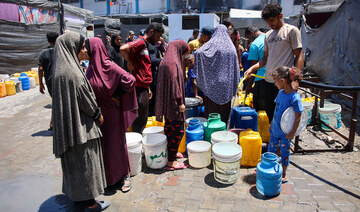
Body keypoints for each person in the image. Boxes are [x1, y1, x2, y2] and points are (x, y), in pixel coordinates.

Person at [52, 31, 109, 212]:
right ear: (71, 48)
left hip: (68, 129)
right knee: (86, 166)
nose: (85, 51)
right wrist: (98, 115)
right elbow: (88, 103)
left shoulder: (60, 71)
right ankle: (91, 204)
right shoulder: (74, 74)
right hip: (81, 129)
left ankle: (78, 199)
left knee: (75, 166)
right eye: (81, 47)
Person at [85, 37, 138, 192]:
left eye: (86, 47)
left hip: (112, 114)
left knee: (116, 147)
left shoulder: (110, 65)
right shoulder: (90, 67)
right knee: (104, 148)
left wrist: (116, 95)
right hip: (97, 115)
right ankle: (108, 178)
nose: (84, 50)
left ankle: (124, 175)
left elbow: (130, 79)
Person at [244, 2, 303, 121]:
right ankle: (273, 138)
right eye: (267, 21)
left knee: (284, 116)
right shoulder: (268, 35)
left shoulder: (291, 31)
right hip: (269, 81)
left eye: (272, 20)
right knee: (271, 115)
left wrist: (296, 80)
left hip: (284, 82)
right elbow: (265, 59)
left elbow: (299, 55)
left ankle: (285, 138)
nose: (270, 24)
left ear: (280, 16)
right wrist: (252, 68)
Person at [120, 23, 164, 133]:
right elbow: (123, 48)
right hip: (138, 88)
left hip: (143, 87)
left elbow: (144, 67)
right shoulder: (141, 42)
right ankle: (137, 143)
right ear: (151, 32)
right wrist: (129, 62)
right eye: (158, 36)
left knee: (143, 118)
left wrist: (148, 88)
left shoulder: (146, 45)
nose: (158, 40)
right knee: (139, 120)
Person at [194, 24, 240, 123]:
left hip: (212, 85)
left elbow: (198, 53)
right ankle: (222, 131)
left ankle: (211, 132)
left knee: (212, 111)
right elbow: (236, 67)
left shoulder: (212, 44)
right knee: (224, 111)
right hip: (227, 84)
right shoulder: (231, 47)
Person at [155, 40, 189, 170]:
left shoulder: (166, 59)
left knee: (169, 129)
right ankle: (171, 161)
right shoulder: (172, 63)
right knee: (178, 131)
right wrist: (180, 102)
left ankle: (172, 153)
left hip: (167, 103)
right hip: (174, 104)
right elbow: (174, 83)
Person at [269, 66, 303, 181]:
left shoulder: (295, 98)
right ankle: (269, 168)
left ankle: (283, 172)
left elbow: (298, 117)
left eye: (275, 81)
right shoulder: (281, 93)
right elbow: (276, 110)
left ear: (282, 81)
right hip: (275, 129)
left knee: (284, 152)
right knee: (271, 150)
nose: (274, 84)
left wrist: (292, 133)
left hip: (285, 133)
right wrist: (271, 124)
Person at [38, 31, 59, 130]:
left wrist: (41, 84)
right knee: (58, 102)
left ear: (48, 40)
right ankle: (53, 124)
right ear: (58, 39)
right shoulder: (61, 51)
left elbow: (41, 69)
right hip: (59, 79)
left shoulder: (43, 53)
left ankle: (52, 123)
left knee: (55, 101)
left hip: (49, 81)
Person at [245, 26, 266, 111]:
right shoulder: (271, 37)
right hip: (275, 78)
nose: (250, 41)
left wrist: (249, 86)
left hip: (261, 80)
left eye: (249, 38)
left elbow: (254, 69)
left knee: (259, 109)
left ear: (252, 33)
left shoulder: (255, 44)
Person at [148, 37, 166, 116]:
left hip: (154, 76)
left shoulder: (159, 48)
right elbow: (152, 60)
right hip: (152, 77)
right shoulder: (152, 47)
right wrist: (164, 60)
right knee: (153, 99)